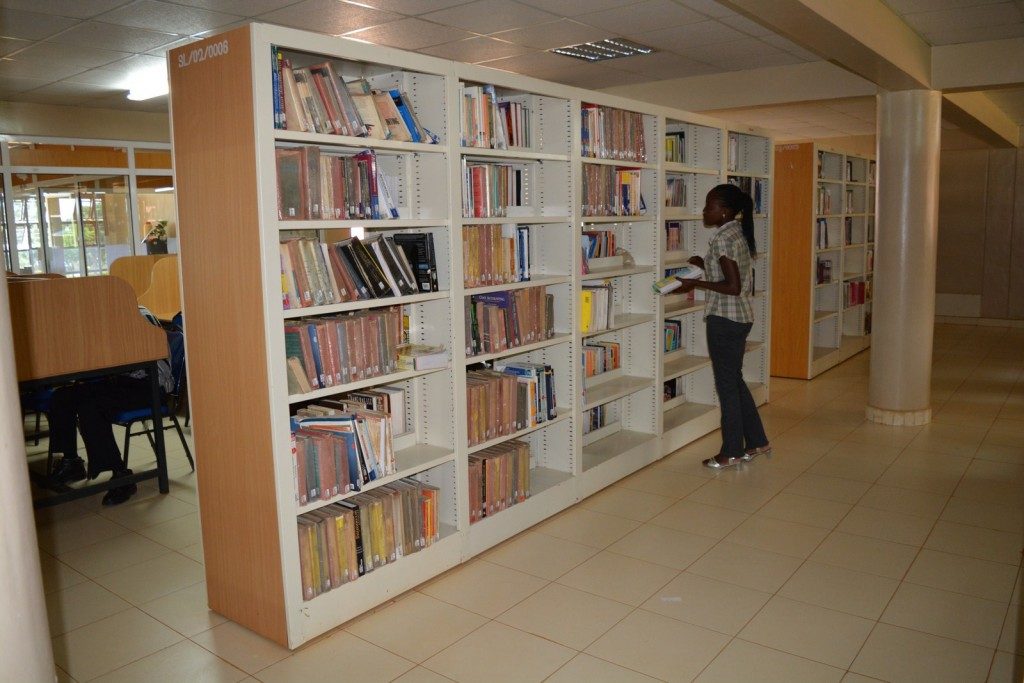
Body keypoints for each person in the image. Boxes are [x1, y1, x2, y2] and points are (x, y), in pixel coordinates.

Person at [674, 184, 770, 469]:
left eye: (709, 207)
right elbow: (730, 272)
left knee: (727, 386)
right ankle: (757, 441)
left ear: (725, 211)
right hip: (740, 317)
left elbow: (732, 286)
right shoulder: (735, 232)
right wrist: (703, 265)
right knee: (735, 381)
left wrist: (694, 283)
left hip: (725, 320)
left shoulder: (723, 238)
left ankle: (731, 451)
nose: (705, 211)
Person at [48, 307, 183, 505]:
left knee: (92, 407)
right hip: (121, 380)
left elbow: (137, 356)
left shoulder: (140, 317)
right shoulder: (105, 319)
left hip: (151, 385)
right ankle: (71, 461)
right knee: (62, 396)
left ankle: (121, 475)